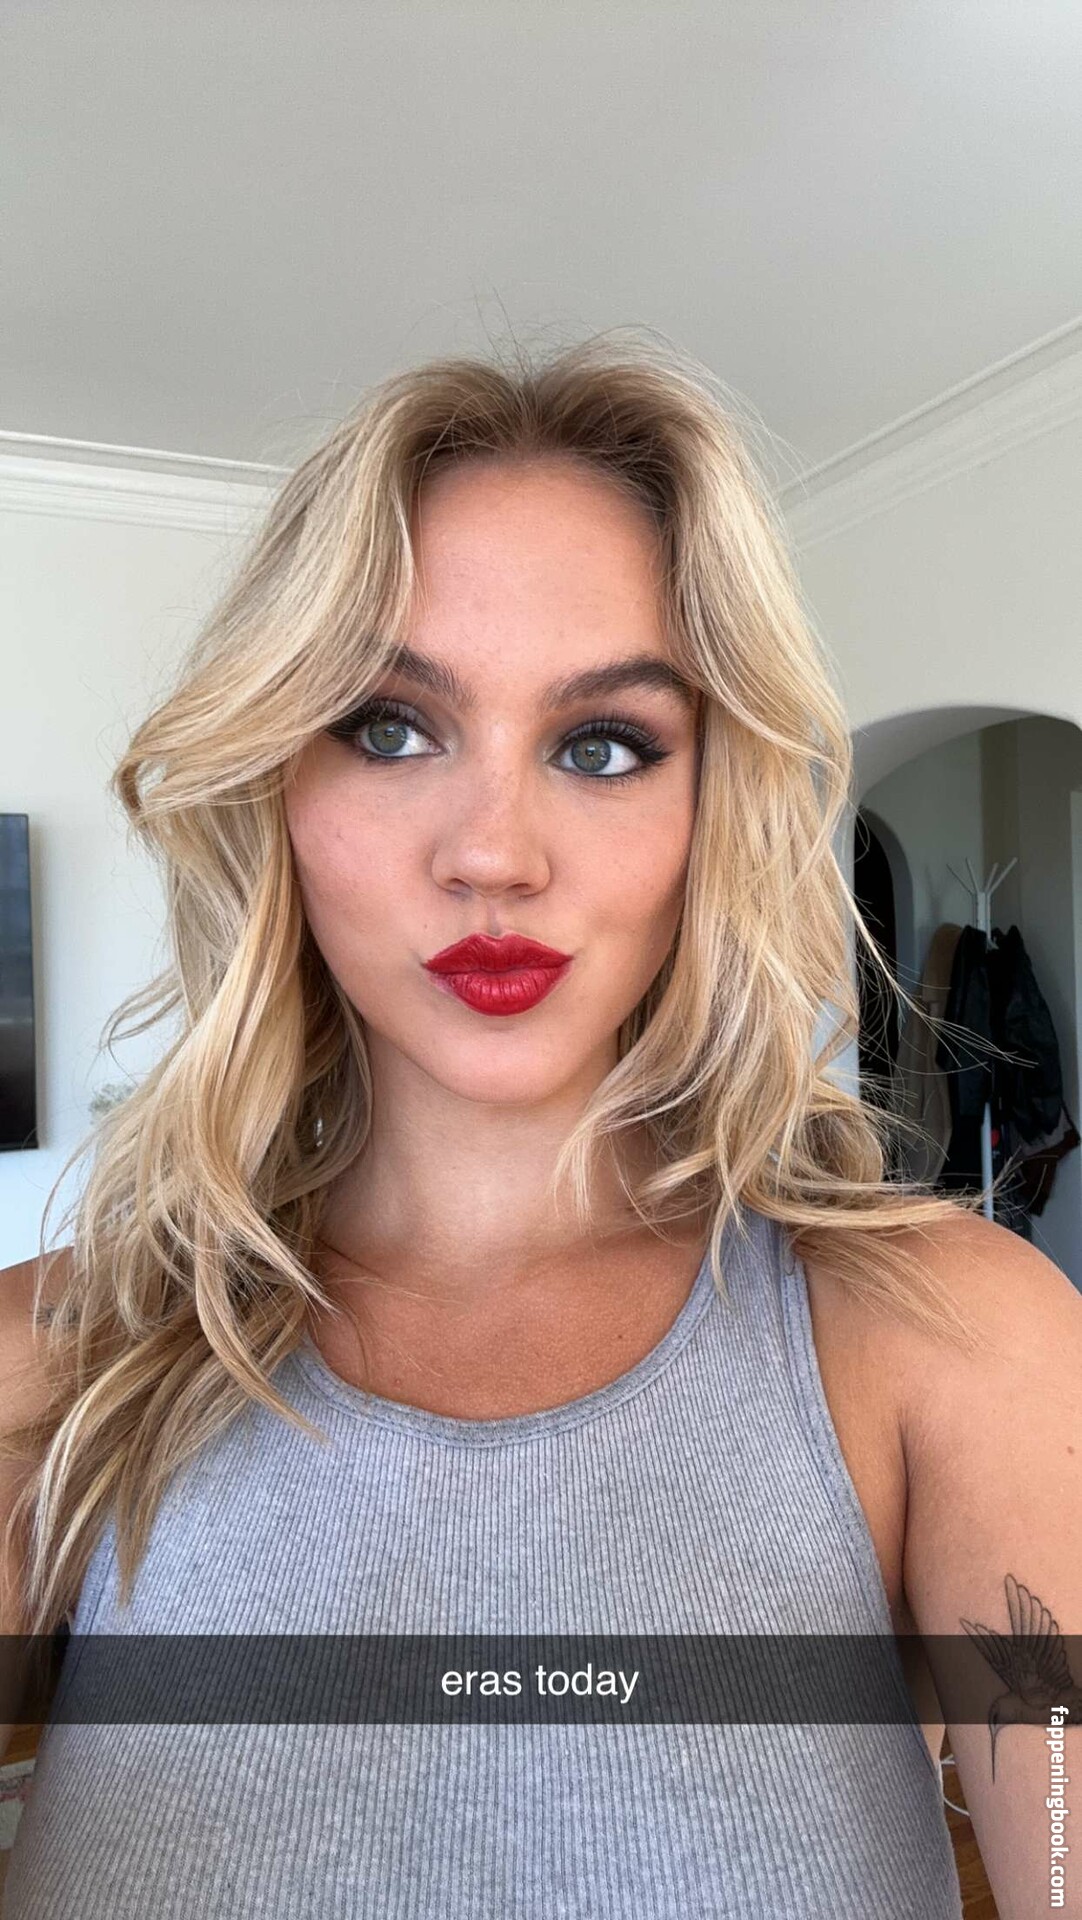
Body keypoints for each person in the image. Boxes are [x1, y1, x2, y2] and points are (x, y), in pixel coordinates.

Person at [1, 334, 1079, 1918]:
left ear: (710, 810)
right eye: (387, 727)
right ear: (274, 785)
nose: (493, 854)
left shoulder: (956, 1342)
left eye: (602, 746)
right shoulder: (54, 1369)